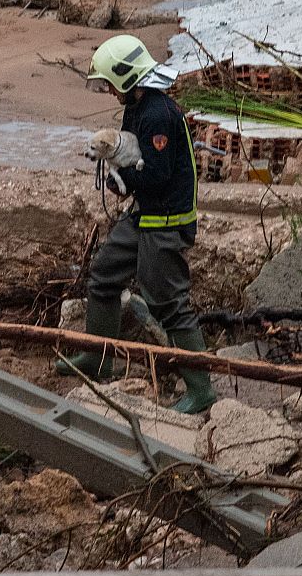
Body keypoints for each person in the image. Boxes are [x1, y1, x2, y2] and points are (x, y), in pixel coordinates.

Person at [55, 34, 218, 415]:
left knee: (169, 303)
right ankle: (99, 358)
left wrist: (120, 182)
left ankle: (201, 389)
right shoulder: (139, 106)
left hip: (166, 220)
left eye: (110, 84)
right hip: (146, 214)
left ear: (126, 77)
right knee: (104, 274)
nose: (110, 92)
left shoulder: (159, 114)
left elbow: (157, 175)